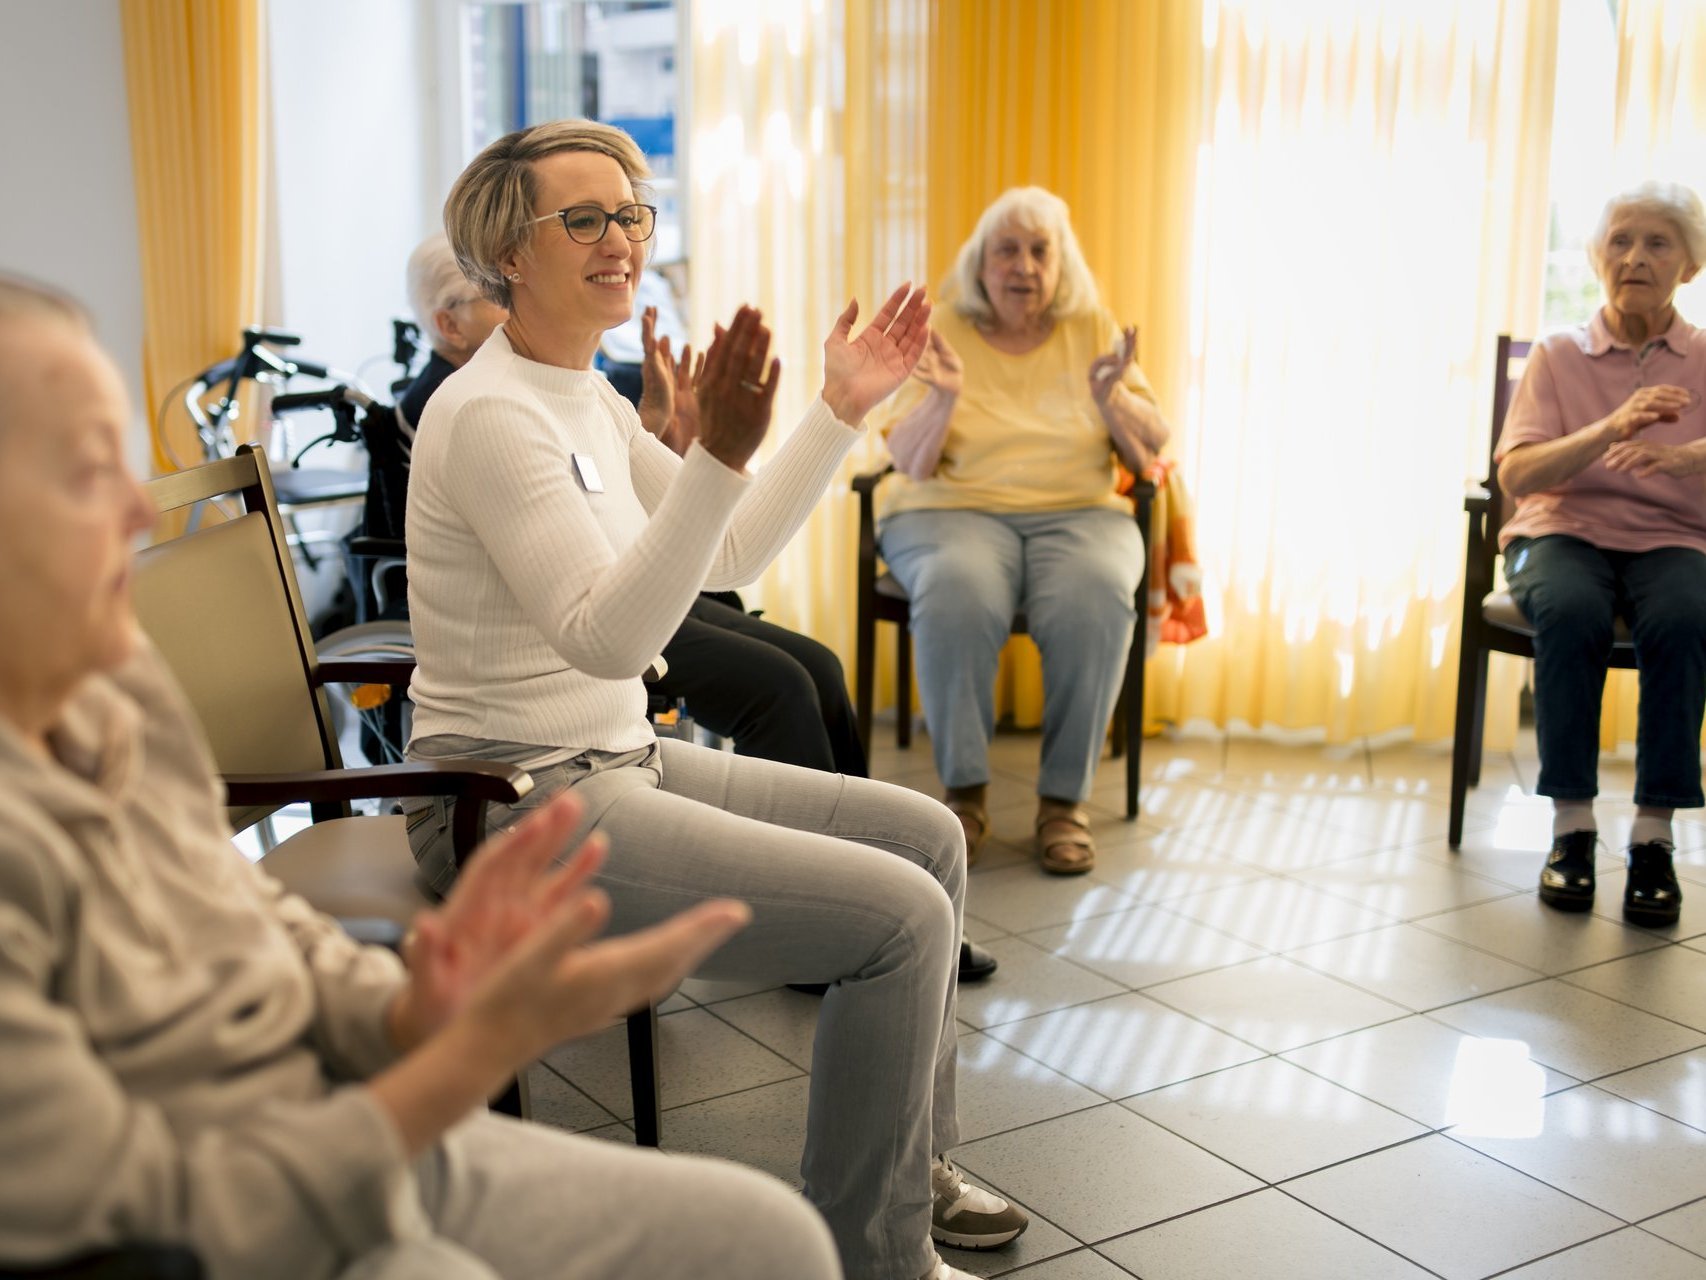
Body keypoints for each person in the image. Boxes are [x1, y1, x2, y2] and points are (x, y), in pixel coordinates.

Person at [0, 274, 843, 1280]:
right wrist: (456, 1060)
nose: (139, 506)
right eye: (91, 469)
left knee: (772, 1237)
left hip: (344, 1109)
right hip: (240, 1209)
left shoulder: (112, 687)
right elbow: (146, 1214)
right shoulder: (481, 413)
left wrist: (412, 1010)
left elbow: (249, 919)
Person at [401, 119, 1026, 1280]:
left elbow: (727, 552)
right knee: (900, 923)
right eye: (580, 218)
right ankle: (873, 1251)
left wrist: (835, 411)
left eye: (631, 213)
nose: (618, 239)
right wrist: (714, 457)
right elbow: (605, 638)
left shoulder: (579, 391)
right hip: (506, 805)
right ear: (506, 251)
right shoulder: (488, 413)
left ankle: (906, 1168)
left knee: (928, 839)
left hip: (606, 765)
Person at [871, 187, 1170, 875]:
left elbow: (1150, 451)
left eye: (1041, 250)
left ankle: (1064, 804)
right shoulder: (942, 325)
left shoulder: (1091, 326)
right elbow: (910, 462)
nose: (1024, 266)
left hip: (1081, 512)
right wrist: (944, 397)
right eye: (1006, 249)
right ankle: (965, 795)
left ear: (1062, 266)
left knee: (1096, 596)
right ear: (980, 263)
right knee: (957, 591)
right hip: (950, 511)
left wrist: (1110, 398)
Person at [1495, 179, 1706, 926]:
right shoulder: (1558, 355)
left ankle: (1654, 838)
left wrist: (1691, 460)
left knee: (1686, 616)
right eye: (1619, 240)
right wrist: (1610, 427)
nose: (1635, 257)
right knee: (1575, 609)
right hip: (1562, 533)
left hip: (1676, 538)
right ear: (1596, 259)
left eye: (1657, 242)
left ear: (1691, 263)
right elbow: (1515, 475)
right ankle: (1572, 829)